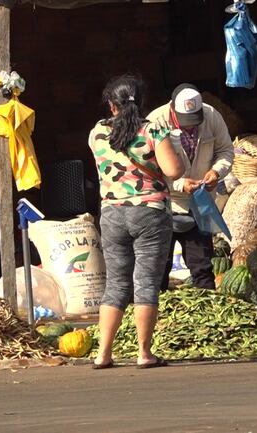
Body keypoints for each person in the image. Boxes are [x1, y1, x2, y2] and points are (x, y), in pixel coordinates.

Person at [88, 75, 185, 369]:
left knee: (115, 284)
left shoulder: (97, 133)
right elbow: (174, 170)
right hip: (150, 214)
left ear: (111, 105)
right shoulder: (154, 131)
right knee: (145, 284)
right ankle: (144, 353)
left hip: (112, 214)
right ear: (140, 101)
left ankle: (103, 354)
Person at [147, 84, 234, 290]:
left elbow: (226, 151)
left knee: (202, 268)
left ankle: (209, 316)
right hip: (163, 206)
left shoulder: (212, 116)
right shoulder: (154, 122)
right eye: (184, 122)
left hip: (200, 204)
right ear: (172, 110)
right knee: (158, 270)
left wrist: (216, 172)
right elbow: (148, 168)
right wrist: (178, 184)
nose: (189, 127)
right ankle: (157, 320)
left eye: (194, 122)